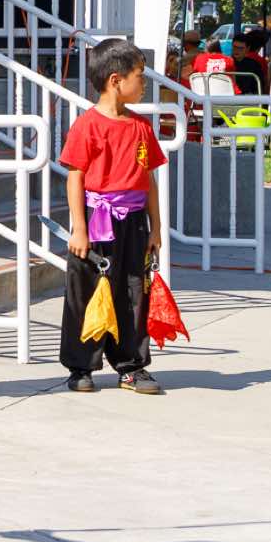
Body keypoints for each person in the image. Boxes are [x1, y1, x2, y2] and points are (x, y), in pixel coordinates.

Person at [59, 39, 165, 396]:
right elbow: (75, 176)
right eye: (140, 75)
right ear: (116, 80)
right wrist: (79, 227)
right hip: (96, 219)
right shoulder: (87, 125)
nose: (144, 83)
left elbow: (148, 179)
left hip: (133, 221)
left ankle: (131, 366)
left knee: (133, 291)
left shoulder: (141, 127)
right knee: (87, 292)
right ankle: (80, 366)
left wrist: (156, 228)